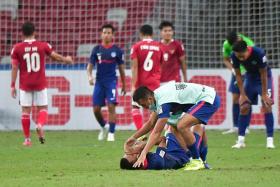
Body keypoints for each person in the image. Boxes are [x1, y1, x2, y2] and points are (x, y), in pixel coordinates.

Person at [125, 81, 220, 170]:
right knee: (174, 125)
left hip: (208, 98)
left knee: (182, 125)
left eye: (144, 105)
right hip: (203, 98)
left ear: (149, 99)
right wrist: (133, 138)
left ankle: (196, 160)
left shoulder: (163, 102)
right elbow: (150, 124)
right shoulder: (156, 97)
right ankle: (198, 160)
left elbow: (156, 132)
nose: (145, 108)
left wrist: (143, 154)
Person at [10, 21, 73, 146]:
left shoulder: (17, 48)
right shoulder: (43, 45)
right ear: (35, 32)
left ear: (22, 33)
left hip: (25, 84)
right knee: (43, 108)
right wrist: (67, 60)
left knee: (25, 112)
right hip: (40, 83)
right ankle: (39, 125)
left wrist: (12, 85)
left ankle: (27, 140)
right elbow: (55, 57)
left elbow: (14, 67)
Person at [231, 40, 275, 149]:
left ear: (247, 50)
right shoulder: (234, 55)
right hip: (250, 78)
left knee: (267, 105)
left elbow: (263, 74)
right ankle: (240, 141)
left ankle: (270, 141)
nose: (240, 58)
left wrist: (264, 94)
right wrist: (242, 94)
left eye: (242, 56)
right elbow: (238, 75)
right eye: (238, 56)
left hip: (264, 78)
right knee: (244, 107)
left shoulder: (259, 53)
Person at [87, 24, 126, 142]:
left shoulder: (117, 50)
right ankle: (104, 126)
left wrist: (124, 84)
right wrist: (89, 76)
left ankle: (111, 133)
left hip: (111, 82)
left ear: (113, 35)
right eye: (105, 32)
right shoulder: (96, 49)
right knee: (96, 109)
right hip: (99, 82)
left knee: (111, 106)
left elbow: (121, 69)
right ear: (101, 34)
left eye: (109, 33)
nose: (107, 35)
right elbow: (89, 66)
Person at [121, 123, 210, 170]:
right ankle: (202, 160)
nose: (131, 152)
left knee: (172, 126)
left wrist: (140, 145)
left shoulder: (143, 162)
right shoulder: (156, 162)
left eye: (127, 153)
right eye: (131, 154)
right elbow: (162, 139)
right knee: (199, 126)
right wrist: (142, 146)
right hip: (183, 155)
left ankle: (202, 161)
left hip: (171, 148)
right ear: (135, 163)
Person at [130, 24, 162, 130]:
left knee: (135, 106)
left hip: (141, 83)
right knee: (154, 110)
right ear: (152, 34)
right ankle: (156, 135)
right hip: (154, 83)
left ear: (141, 34)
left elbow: (134, 68)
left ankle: (141, 135)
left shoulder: (136, 46)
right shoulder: (159, 46)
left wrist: (133, 86)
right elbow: (160, 66)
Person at [222, 31, 254, 134]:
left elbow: (254, 59)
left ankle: (246, 126)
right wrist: (233, 70)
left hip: (248, 72)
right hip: (236, 72)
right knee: (235, 99)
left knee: (246, 98)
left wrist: (248, 70)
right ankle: (235, 126)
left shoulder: (248, 43)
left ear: (238, 39)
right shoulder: (226, 44)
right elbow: (226, 59)